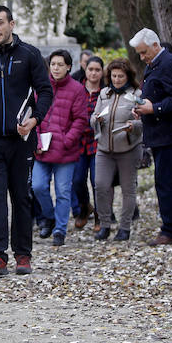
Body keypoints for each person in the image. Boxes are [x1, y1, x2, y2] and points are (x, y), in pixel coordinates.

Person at [0, 5, 53, 276]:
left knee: (21, 197)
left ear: (11, 24)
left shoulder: (29, 54)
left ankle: (23, 256)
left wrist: (35, 120)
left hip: (22, 139)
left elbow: (45, 91)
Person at [130, 28, 172, 246]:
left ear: (155, 46)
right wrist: (143, 107)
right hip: (161, 132)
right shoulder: (156, 63)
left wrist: (154, 109)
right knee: (171, 181)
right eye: (139, 53)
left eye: (144, 52)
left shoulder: (168, 63)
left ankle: (170, 229)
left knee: (166, 182)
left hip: (170, 133)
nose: (142, 57)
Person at [31, 49, 89, 247]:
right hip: (42, 149)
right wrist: (36, 140)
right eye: (53, 64)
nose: (56, 68)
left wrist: (67, 140)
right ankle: (49, 217)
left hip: (66, 151)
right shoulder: (41, 87)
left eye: (60, 65)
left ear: (68, 67)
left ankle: (59, 230)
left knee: (63, 191)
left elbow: (81, 119)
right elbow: (33, 116)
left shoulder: (77, 89)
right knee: (37, 186)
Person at [91, 59, 143, 241]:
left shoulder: (136, 94)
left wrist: (133, 125)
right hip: (105, 148)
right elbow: (92, 117)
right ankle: (105, 224)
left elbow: (142, 121)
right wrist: (96, 119)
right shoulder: (104, 94)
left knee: (128, 189)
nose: (117, 79)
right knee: (101, 185)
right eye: (114, 76)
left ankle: (125, 227)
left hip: (128, 148)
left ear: (128, 76)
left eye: (121, 76)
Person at [72, 56, 105, 230]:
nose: (93, 73)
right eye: (90, 69)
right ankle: (85, 207)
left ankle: (100, 214)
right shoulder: (77, 89)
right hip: (78, 141)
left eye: (97, 70)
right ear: (85, 70)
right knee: (77, 179)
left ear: (102, 72)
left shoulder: (106, 92)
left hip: (98, 141)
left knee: (97, 180)